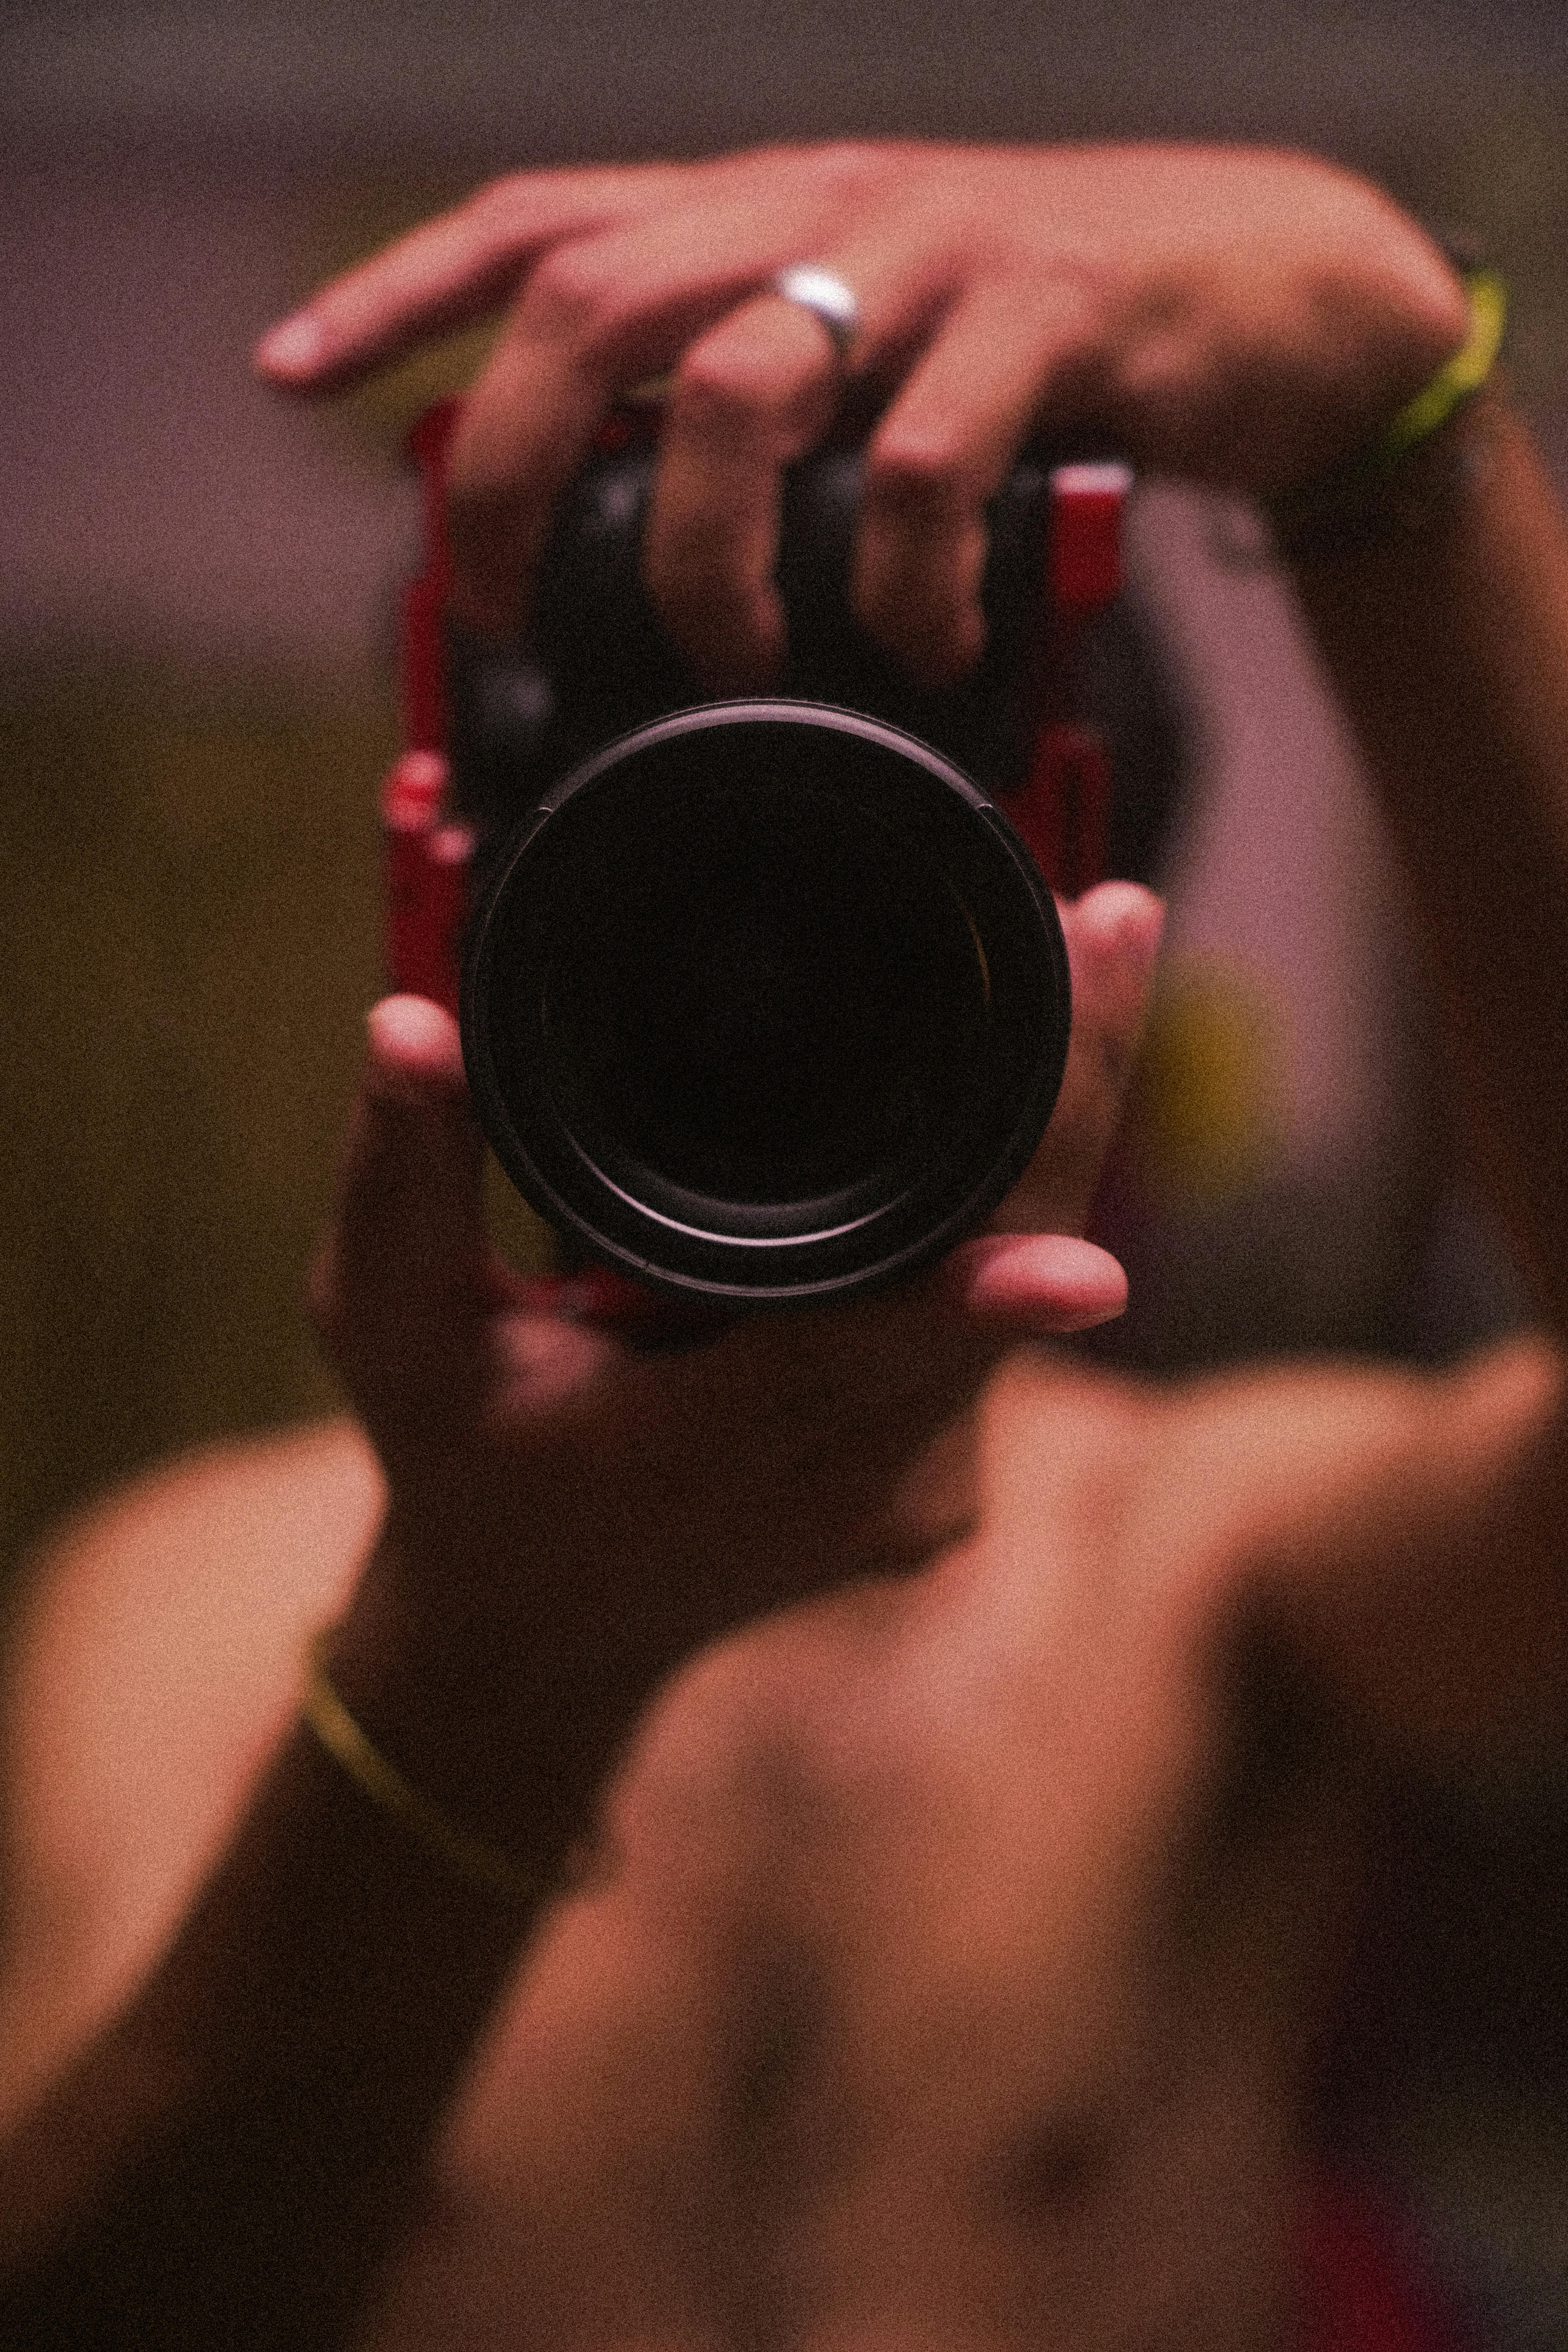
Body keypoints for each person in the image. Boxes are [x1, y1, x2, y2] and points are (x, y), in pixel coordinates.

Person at [2, 139, 1566, 2351]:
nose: (776, 1020)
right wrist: (476, 1681)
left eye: (881, 939)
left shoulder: (1214, 1559)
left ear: (1081, 968)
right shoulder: (172, 1612)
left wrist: (1401, 432)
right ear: (474, 926)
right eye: (684, 914)